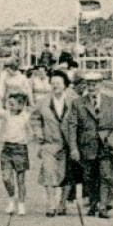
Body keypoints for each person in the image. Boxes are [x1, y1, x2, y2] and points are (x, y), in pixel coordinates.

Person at [64, 71, 113, 219]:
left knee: (107, 175)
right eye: (89, 84)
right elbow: (72, 127)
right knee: (90, 177)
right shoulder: (77, 103)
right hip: (87, 146)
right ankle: (93, 203)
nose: (92, 87)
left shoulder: (112, 102)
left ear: (101, 84)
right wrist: (73, 148)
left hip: (106, 146)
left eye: (95, 84)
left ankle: (104, 205)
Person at [0, 90, 37, 216]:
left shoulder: (25, 116)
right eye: (8, 103)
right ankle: (11, 198)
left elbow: (35, 120)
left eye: (12, 104)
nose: (9, 106)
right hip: (7, 148)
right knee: (6, 177)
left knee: (20, 179)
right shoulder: (6, 115)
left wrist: (32, 136)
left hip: (20, 149)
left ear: (21, 105)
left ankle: (21, 204)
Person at [33, 70, 76, 216]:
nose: (55, 86)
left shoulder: (73, 101)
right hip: (49, 143)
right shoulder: (43, 101)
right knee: (49, 172)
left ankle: (62, 203)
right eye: (52, 83)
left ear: (65, 85)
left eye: (58, 83)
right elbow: (35, 118)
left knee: (67, 175)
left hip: (68, 144)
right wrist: (38, 133)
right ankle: (51, 203)